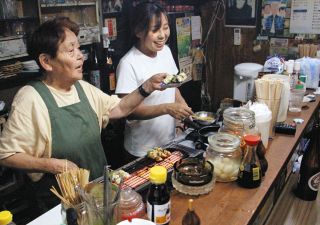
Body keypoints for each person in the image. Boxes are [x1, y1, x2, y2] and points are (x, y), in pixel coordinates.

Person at [0, 17, 166, 212]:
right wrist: (53, 165)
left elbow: (119, 108)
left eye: (79, 49)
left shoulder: (82, 88)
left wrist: (146, 87)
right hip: (63, 205)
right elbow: (6, 155)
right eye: (71, 50)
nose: (81, 57)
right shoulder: (30, 98)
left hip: (97, 192)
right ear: (46, 61)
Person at [115, 2, 193, 159]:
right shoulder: (128, 63)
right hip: (141, 150)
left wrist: (184, 109)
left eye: (165, 27)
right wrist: (166, 108)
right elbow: (128, 111)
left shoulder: (166, 51)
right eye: (155, 30)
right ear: (138, 31)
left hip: (168, 141)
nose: (162, 35)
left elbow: (173, 87)